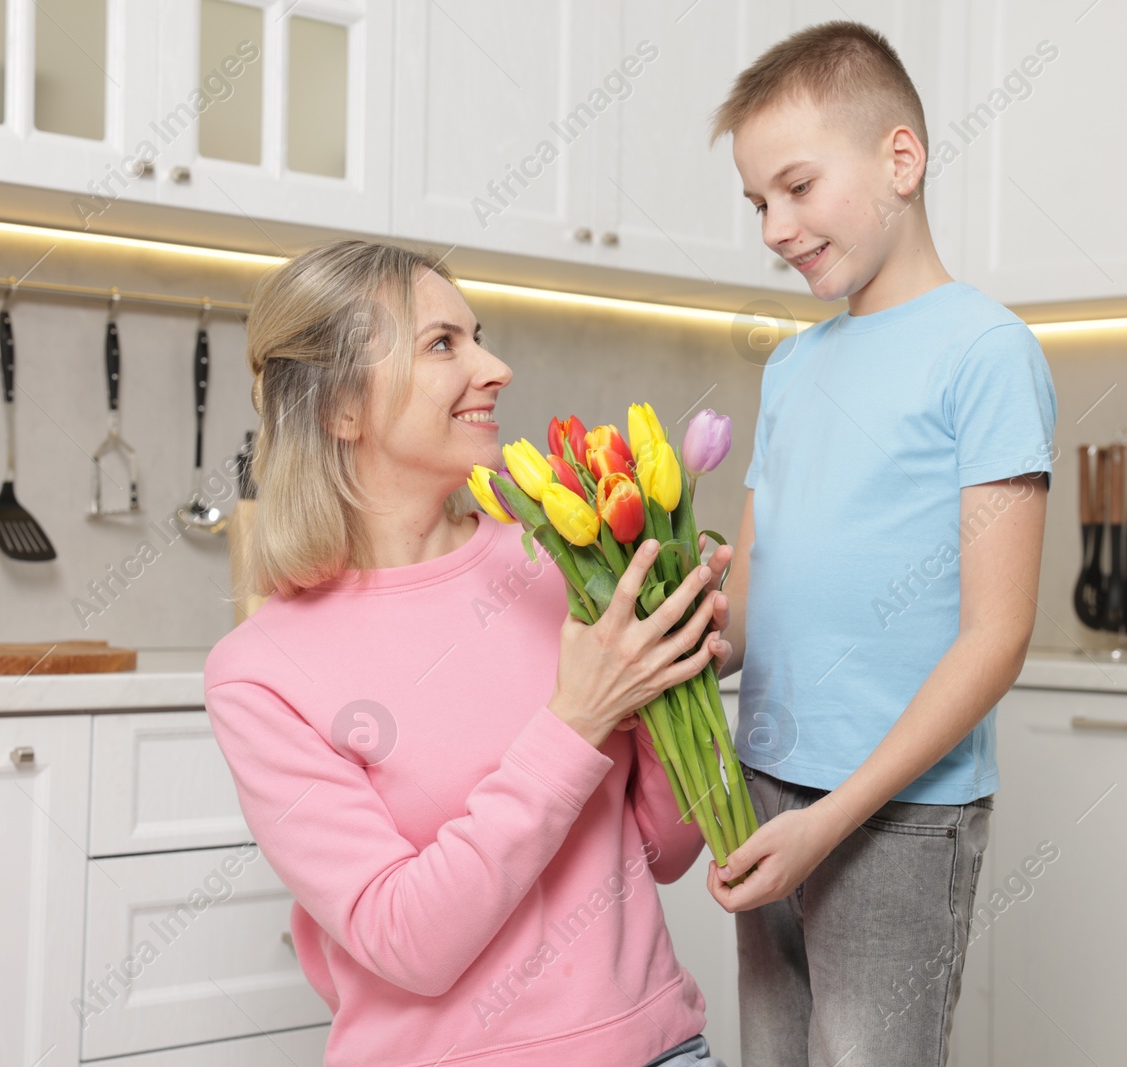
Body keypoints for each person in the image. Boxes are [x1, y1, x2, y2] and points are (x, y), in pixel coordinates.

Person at [202, 239, 736, 1067]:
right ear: (342, 406)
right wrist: (578, 717)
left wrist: (677, 672)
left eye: (476, 335)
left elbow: (664, 851)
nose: (496, 367)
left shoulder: (565, 560)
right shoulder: (261, 672)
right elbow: (407, 938)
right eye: (443, 343)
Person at [702, 21, 1057, 1066]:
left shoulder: (984, 351)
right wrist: (681, 623)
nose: (774, 225)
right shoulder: (790, 366)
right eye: (757, 201)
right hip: (762, 786)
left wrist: (835, 818)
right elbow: (749, 604)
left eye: (797, 186)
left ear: (899, 159)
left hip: (895, 813)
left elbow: (996, 637)